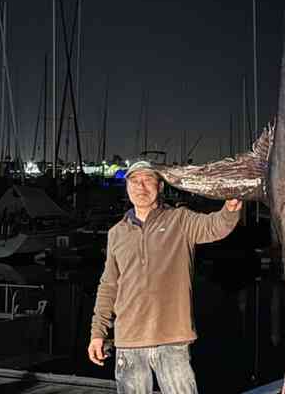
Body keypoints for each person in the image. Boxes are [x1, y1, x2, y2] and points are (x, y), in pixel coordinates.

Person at [88, 160, 242, 394]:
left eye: (148, 180)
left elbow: (215, 226)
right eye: (135, 181)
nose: (141, 186)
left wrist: (230, 209)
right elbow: (108, 286)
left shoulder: (180, 220)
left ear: (160, 186)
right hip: (128, 341)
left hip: (173, 340)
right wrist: (98, 333)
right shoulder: (116, 233)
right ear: (127, 187)